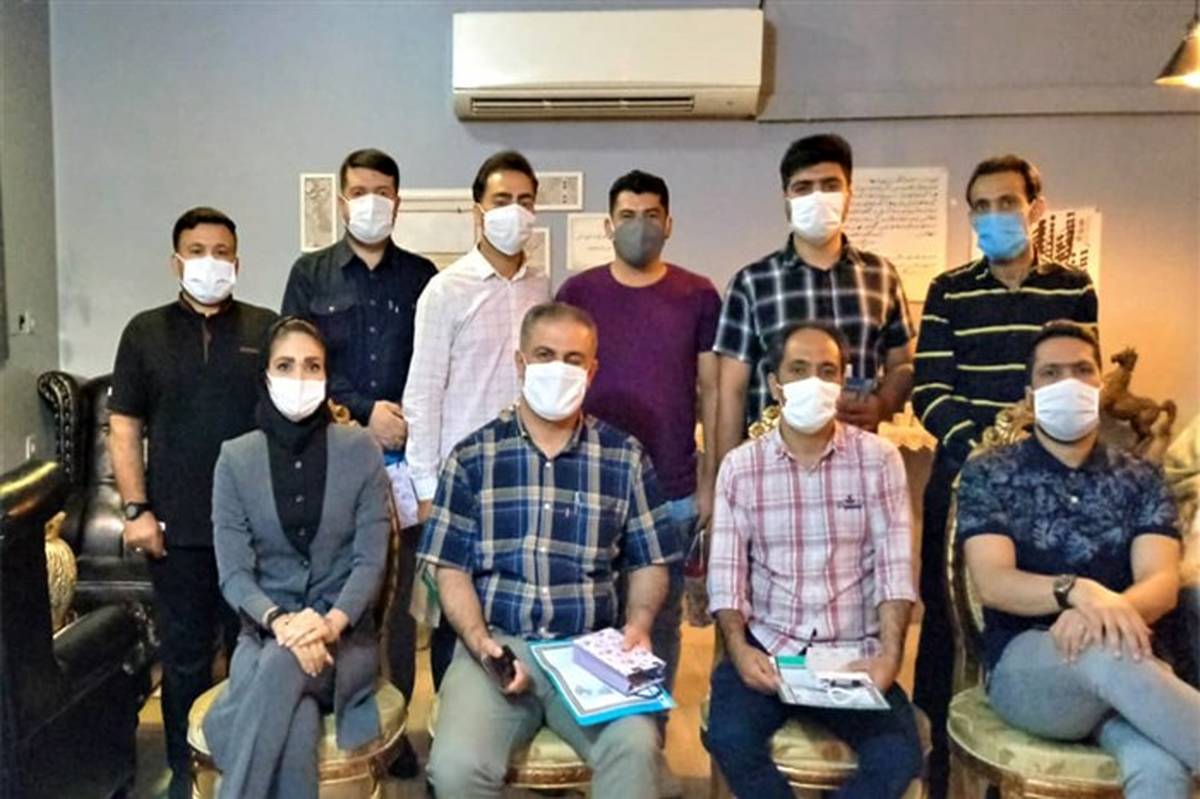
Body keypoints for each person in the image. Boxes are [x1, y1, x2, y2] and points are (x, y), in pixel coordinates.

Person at [418, 302, 680, 799]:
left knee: (636, 747)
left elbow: (649, 559)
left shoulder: (624, 457)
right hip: (497, 644)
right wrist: (481, 643)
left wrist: (640, 623)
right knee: (455, 767)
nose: (559, 369)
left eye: (573, 359)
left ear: (592, 370)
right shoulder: (472, 457)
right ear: (520, 363)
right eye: (544, 355)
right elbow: (449, 569)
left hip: (590, 651)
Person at [911, 155, 1098, 799]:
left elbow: (1076, 384)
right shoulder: (949, 290)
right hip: (963, 481)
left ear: (1034, 208)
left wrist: (1034, 457)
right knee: (945, 627)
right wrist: (987, 454)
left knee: (1039, 614)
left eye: (1006, 202)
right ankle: (941, 773)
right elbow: (931, 391)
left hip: (1049, 489)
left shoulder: (1073, 288)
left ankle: (1029, 753)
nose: (994, 216)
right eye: (981, 206)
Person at [959, 321, 1200, 799]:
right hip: (1029, 670)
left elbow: (1160, 583)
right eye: (1051, 373)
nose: (1068, 382)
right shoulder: (990, 473)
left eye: (1082, 370)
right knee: (1102, 655)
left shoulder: (1140, 476)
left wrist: (1097, 615)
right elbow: (994, 583)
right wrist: (1076, 591)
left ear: (1100, 384)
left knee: (1159, 770)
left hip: (1131, 666)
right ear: (1031, 396)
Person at [704, 320, 923, 799]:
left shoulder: (879, 460)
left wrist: (889, 656)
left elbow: (894, 569)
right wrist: (740, 650)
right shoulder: (741, 467)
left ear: (843, 381)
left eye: (827, 371)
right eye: (798, 370)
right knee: (728, 737)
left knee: (898, 756)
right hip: (770, 647)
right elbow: (726, 577)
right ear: (774, 384)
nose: (814, 382)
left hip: (852, 653)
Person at [108, 207, 277, 798]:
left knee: (253, 653)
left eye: (222, 251)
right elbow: (124, 426)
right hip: (175, 530)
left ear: (238, 261)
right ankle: (185, 770)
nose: (211, 262)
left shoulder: (266, 328)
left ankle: (245, 764)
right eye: (198, 251)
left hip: (252, 531)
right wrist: (136, 510)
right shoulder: (144, 332)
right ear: (176, 261)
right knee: (183, 659)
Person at [281, 147, 436, 773]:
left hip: (405, 462)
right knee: (345, 590)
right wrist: (363, 411)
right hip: (334, 457)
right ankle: (342, 715)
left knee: (396, 603)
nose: (372, 202)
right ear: (343, 199)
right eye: (360, 191)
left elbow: (433, 365)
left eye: (383, 191)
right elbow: (295, 362)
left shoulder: (422, 276)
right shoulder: (311, 274)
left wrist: (402, 422)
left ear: (398, 201)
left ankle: (393, 737)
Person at [204, 317, 391, 799]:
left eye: (313, 366)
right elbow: (233, 573)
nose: (300, 376)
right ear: (266, 375)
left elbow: (370, 562)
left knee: (281, 666)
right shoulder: (235, 459)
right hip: (265, 635)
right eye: (285, 366)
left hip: (342, 643)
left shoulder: (361, 450)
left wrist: (327, 625)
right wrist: (280, 622)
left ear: (327, 376)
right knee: (296, 723)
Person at [555, 168, 721, 693]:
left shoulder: (698, 294)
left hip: (670, 489)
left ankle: (650, 724)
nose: (639, 226)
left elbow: (714, 390)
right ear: (608, 225)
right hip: (589, 485)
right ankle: (593, 721)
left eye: (651, 215)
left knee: (659, 622)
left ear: (669, 224)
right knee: (589, 612)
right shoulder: (578, 291)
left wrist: (710, 481)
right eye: (627, 215)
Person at [403, 149, 550, 686]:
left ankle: (515, 700)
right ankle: (452, 710)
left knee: (512, 598)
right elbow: (423, 394)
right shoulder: (445, 290)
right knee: (454, 610)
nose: (515, 211)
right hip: (461, 479)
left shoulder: (542, 287)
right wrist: (425, 489)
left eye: (525, 201)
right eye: (502, 199)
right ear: (478, 211)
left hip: (527, 472)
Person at [713, 133, 914, 470]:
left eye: (830, 186)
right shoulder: (751, 283)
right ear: (786, 199)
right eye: (803, 188)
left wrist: (884, 403)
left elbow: (903, 365)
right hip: (771, 468)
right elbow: (731, 391)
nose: (817, 197)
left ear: (849, 196)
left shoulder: (882, 276)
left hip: (856, 465)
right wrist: (725, 476)